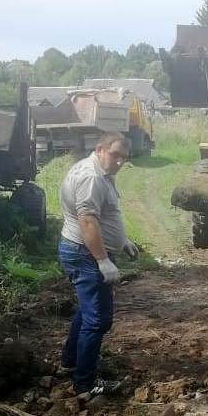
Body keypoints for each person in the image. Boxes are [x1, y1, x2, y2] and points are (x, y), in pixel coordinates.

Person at [57, 131, 139, 395]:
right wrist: (103, 260)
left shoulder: (95, 171)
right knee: (98, 320)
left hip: (84, 251)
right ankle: (85, 384)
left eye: (123, 158)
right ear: (100, 149)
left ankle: (70, 362)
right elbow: (88, 221)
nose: (119, 162)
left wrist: (121, 240)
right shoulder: (92, 177)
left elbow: (102, 216)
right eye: (115, 154)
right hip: (86, 254)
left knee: (87, 312)